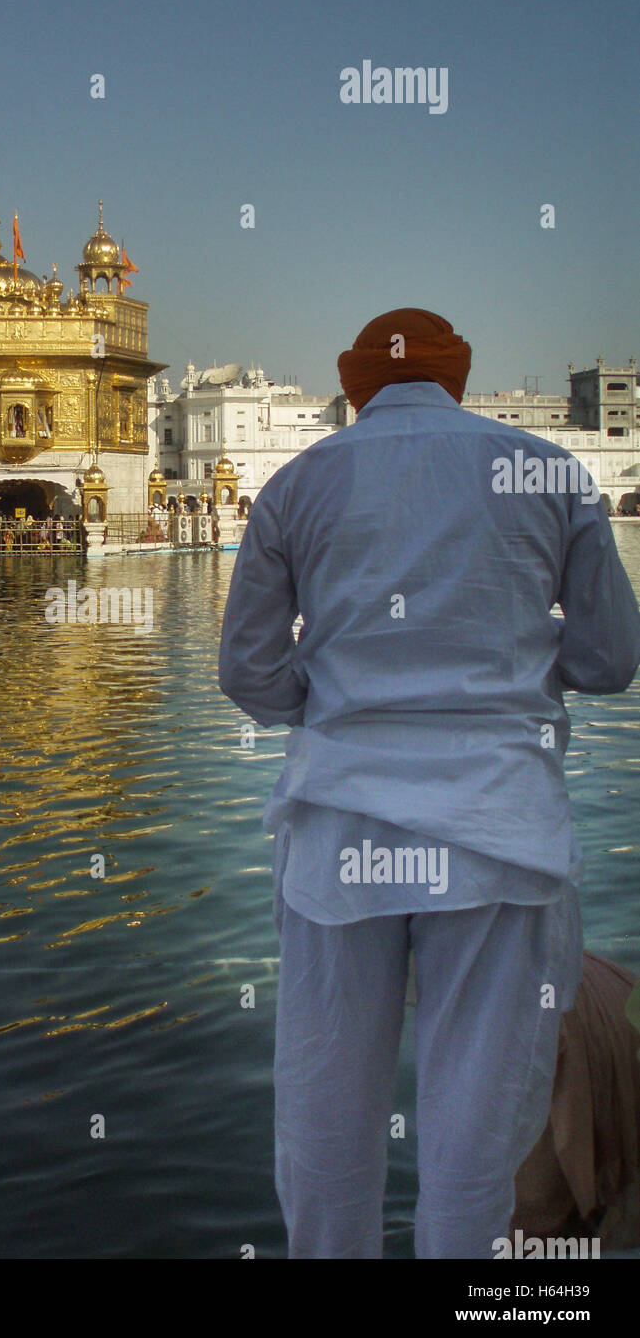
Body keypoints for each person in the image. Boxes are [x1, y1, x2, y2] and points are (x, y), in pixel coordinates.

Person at [218, 307, 640, 1259]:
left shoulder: (298, 481)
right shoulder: (549, 473)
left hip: (339, 830)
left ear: (351, 382)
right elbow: (611, 659)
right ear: (457, 374)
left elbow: (247, 674)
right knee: (474, 1142)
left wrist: (333, 700)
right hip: (498, 830)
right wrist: (513, 669)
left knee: (327, 1121)